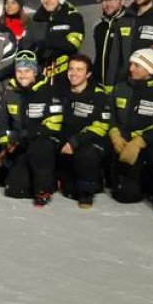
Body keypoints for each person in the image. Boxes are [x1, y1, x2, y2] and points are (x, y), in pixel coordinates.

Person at [108, 46, 153, 218]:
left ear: (149, 69)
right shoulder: (120, 88)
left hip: (148, 142)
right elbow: (109, 113)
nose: (131, 68)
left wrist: (140, 141)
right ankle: (144, 182)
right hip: (124, 142)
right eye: (131, 64)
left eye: (137, 65)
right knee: (126, 195)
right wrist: (115, 135)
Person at [0, 51, 65, 206]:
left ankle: (44, 189)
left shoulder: (47, 90)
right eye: (19, 71)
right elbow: (2, 121)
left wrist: (24, 135)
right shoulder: (9, 92)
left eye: (27, 71)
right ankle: (33, 179)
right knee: (14, 190)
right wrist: (5, 145)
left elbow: (54, 124)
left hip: (43, 141)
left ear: (35, 72)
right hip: (21, 144)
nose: (23, 75)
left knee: (40, 147)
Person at [59, 54, 113, 208]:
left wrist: (75, 142)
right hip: (66, 140)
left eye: (79, 70)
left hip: (90, 141)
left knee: (86, 155)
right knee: (68, 190)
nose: (73, 73)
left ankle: (86, 193)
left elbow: (102, 126)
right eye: (71, 69)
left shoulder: (98, 94)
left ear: (88, 74)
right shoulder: (61, 88)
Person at [22, 0, 85, 88]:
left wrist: (48, 43)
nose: (48, 1)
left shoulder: (72, 17)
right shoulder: (37, 19)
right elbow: (26, 46)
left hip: (65, 76)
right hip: (39, 75)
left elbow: (74, 44)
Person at [92, 0, 130, 88]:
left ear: (122, 1)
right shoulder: (99, 27)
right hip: (99, 84)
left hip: (122, 86)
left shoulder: (132, 23)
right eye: (104, 0)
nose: (107, 4)